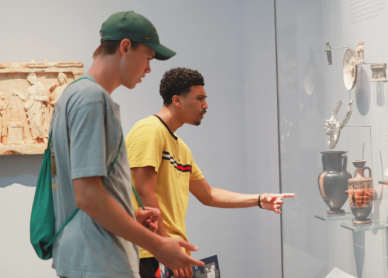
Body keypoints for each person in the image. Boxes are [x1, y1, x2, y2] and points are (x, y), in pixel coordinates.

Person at [49, 11, 204, 278]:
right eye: (148, 58)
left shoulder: (72, 95)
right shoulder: (92, 99)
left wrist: (130, 216)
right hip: (98, 263)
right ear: (125, 47)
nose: (148, 69)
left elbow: (85, 194)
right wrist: (157, 245)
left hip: (87, 259)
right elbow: (87, 196)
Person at [126, 68, 295, 278]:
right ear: (177, 101)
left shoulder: (181, 148)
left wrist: (260, 200)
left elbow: (208, 194)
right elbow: (144, 191)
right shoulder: (150, 130)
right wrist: (165, 245)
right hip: (150, 252)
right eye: (199, 99)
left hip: (171, 253)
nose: (205, 106)